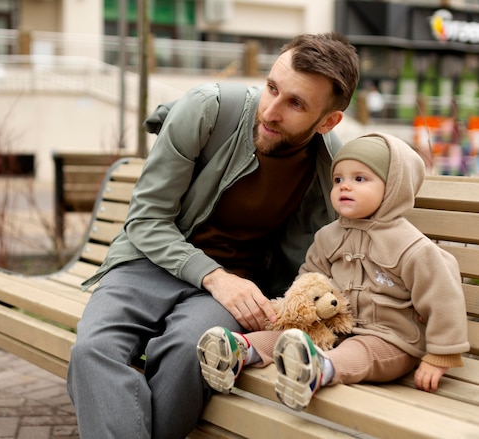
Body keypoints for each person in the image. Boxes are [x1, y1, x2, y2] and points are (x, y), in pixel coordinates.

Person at [66, 32, 360, 438]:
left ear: (327, 121)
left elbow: (308, 258)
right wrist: (213, 276)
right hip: (151, 262)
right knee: (92, 352)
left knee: (189, 353)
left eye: (295, 103)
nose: (270, 111)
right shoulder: (209, 109)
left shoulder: (326, 166)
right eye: (272, 88)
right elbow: (147, 218)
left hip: (236, 283)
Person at [197, 133, 470, 412]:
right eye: (338, 179)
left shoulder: (411, 246)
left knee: (361, 351)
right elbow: (311, 277)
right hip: (334, 328)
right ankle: (240, 349)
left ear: (393, 187)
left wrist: (439, 355)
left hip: (390, 339)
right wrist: (299, 308)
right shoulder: (329, 236)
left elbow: (443, 297)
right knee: (294, 334)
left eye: (359, 179)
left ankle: (318, 369)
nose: (344, 187)